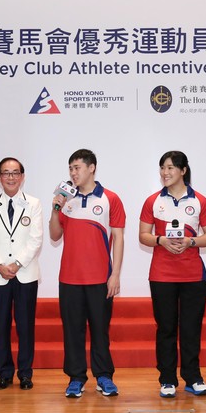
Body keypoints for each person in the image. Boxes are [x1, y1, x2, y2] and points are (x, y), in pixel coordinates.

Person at [139, 151, 206, 398]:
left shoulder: (200, 201)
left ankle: (193, 377)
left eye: (171, 168)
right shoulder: (153, 201)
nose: (165, 173)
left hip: (193, 275)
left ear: (183, 171)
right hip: (162, 275)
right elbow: (143, 235)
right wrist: (161, 240)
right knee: (166, 328)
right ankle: (167, 379)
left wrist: (191, 242)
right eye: (162, 168)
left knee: (191, 328)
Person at [49, 149, 125, 398]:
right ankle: (75, 378)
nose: (73, 172)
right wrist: (55, 209)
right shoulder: (66, 199)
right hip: (69, 278)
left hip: (100, 278)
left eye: (77, 167)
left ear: (92, 168)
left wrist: (115, 275)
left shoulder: (110, 198)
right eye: (70, 168)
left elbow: (118, 237)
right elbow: (55, 235)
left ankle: (104, 377)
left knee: (100, 330)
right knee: (72, 330)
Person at [0, 157, 43, 391]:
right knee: (1, 326)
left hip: (25, 273)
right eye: (6, 173)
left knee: (25, 326)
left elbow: (36, 239)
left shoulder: (34, 203)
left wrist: (16, 264)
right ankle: (4, 374)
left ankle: (25, 374)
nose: (11, 177)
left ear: (22, 176)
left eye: (15, 173)